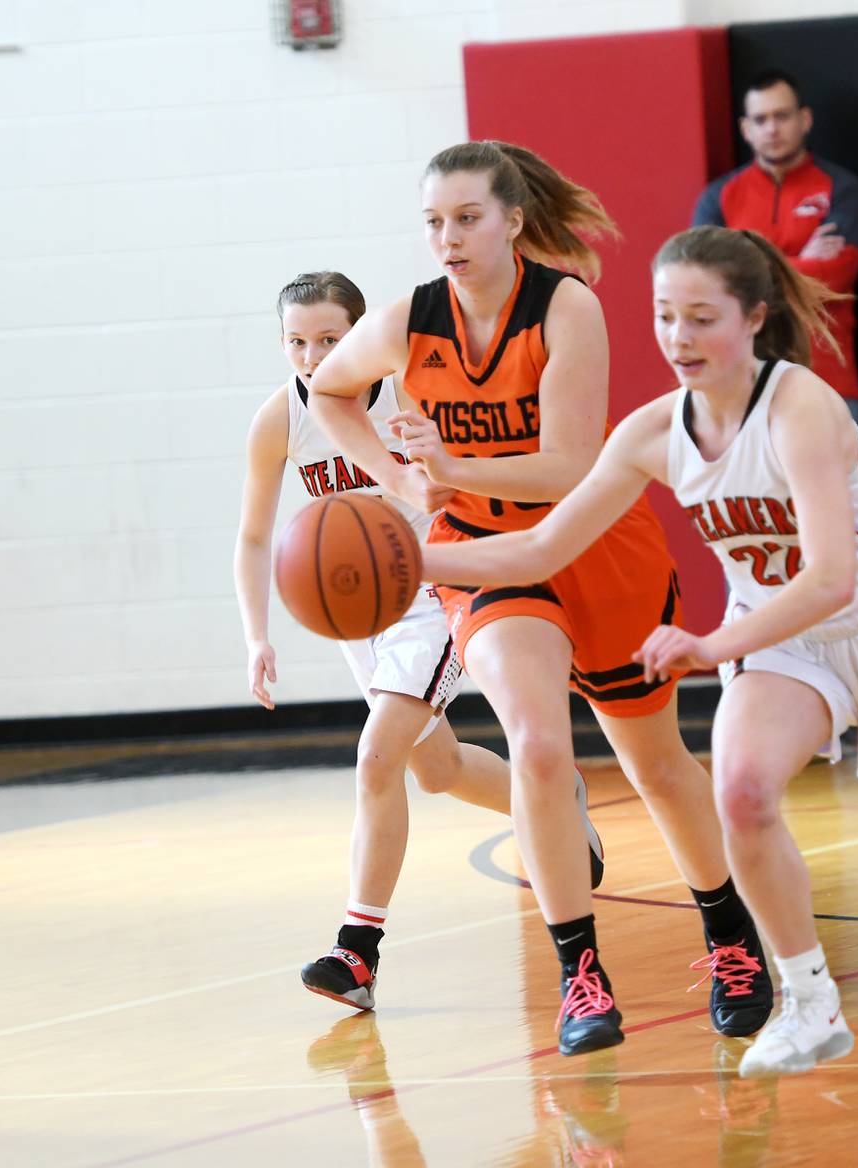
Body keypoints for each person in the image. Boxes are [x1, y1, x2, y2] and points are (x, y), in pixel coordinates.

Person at [413, 224, 858, 1105]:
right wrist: (404, 564)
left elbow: (832, 578)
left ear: (754, 319)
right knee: (740, 792)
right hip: (779, 637)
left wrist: (707, 645)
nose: (678, 339)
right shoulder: (655, 432)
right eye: (663, 318)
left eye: (701, 319)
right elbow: (535, 543)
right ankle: (808, 1000)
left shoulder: (802, 408)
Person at [307, 142, 773, 1056]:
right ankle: (580, 974)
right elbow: (327, 390)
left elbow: (566, 463)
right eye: (434, 221)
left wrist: (449, 463)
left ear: (514, 220)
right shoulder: (409, 317)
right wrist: (403, 485)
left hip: (592, 541)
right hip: (485, 556)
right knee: (538, 745)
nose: (447, 237)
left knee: (655, 765)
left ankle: (729, 935)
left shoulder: (567, 306)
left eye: (467, 218)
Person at [235, 270, 604, 1012]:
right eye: (297, 342)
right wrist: (257, 638)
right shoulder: (280, 418)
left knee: (377, 757)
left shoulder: (408, 396)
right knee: (433, 769)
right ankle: (558, 801)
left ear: (360, 338)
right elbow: (252, 536)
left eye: (330, 340)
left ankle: (357, 951)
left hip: (432, 589)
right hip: (361, 615)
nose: (313, 356)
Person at [692, 69, 858, 432]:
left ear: (804, 119)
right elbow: (704, 283)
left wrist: (742, 265)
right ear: (746, 129)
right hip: (742, 382)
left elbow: (835, 276)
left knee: (836, 490)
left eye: (782, 116)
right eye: (761, 119)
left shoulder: (843, 190)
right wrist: (805, 260)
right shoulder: (719, 198)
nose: (772, 129)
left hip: (829, 378)